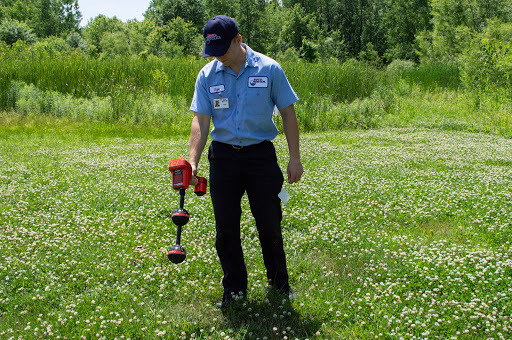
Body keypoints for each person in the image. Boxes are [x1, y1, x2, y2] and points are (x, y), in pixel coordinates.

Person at [188, 15, 304, 308]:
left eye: (223, 51)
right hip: (224, 157)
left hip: (260, 156)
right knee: (226, 227)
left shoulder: (269, 69)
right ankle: (234, 290)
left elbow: (288, 113)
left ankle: (280, 285)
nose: (218, 58)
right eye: (212, 52)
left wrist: (294, 158)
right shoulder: (207, 75)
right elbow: (201, 121)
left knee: (269, 223)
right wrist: (193, 162)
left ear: (238, 40)